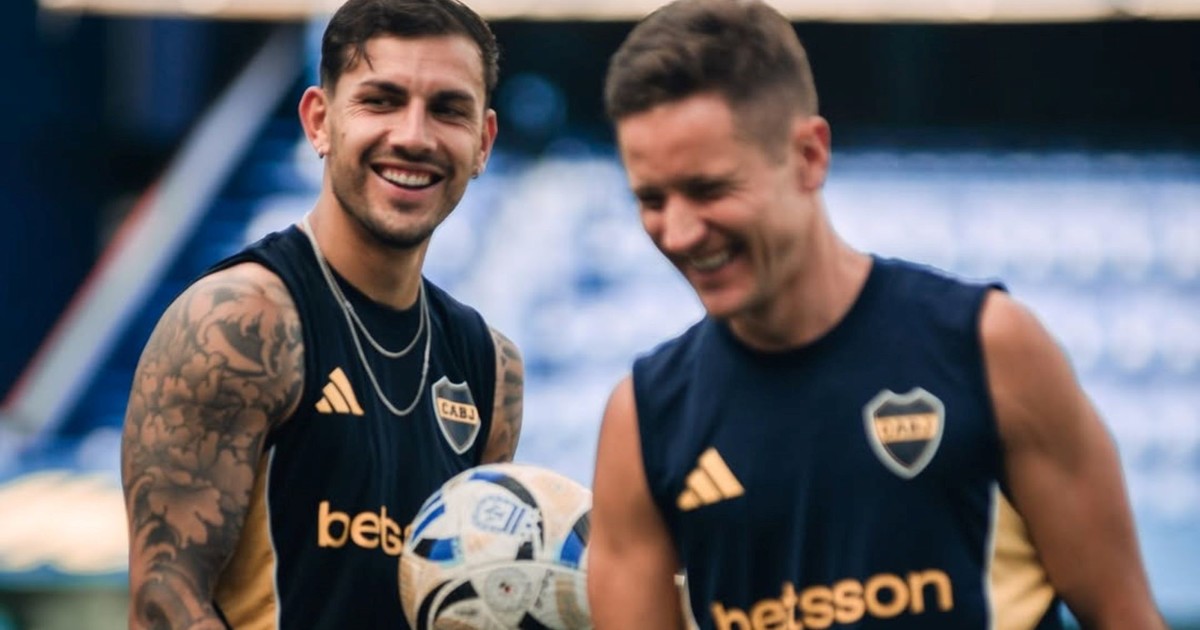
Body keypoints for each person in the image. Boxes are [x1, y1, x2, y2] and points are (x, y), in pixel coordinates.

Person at [587, 1, 1165, 628]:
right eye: (651, 199)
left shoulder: (989, 347)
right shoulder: (642, 421)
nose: (677, 232)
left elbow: (1124, 616)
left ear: (809, 155)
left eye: (709, 190)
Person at [120, 0, 523, 628]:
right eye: (381, 101)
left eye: (448, 109)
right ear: (319, 121)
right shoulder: (239, 323)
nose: (414, 136)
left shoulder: (491, 367)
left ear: (483, 143)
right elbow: (164, 605)